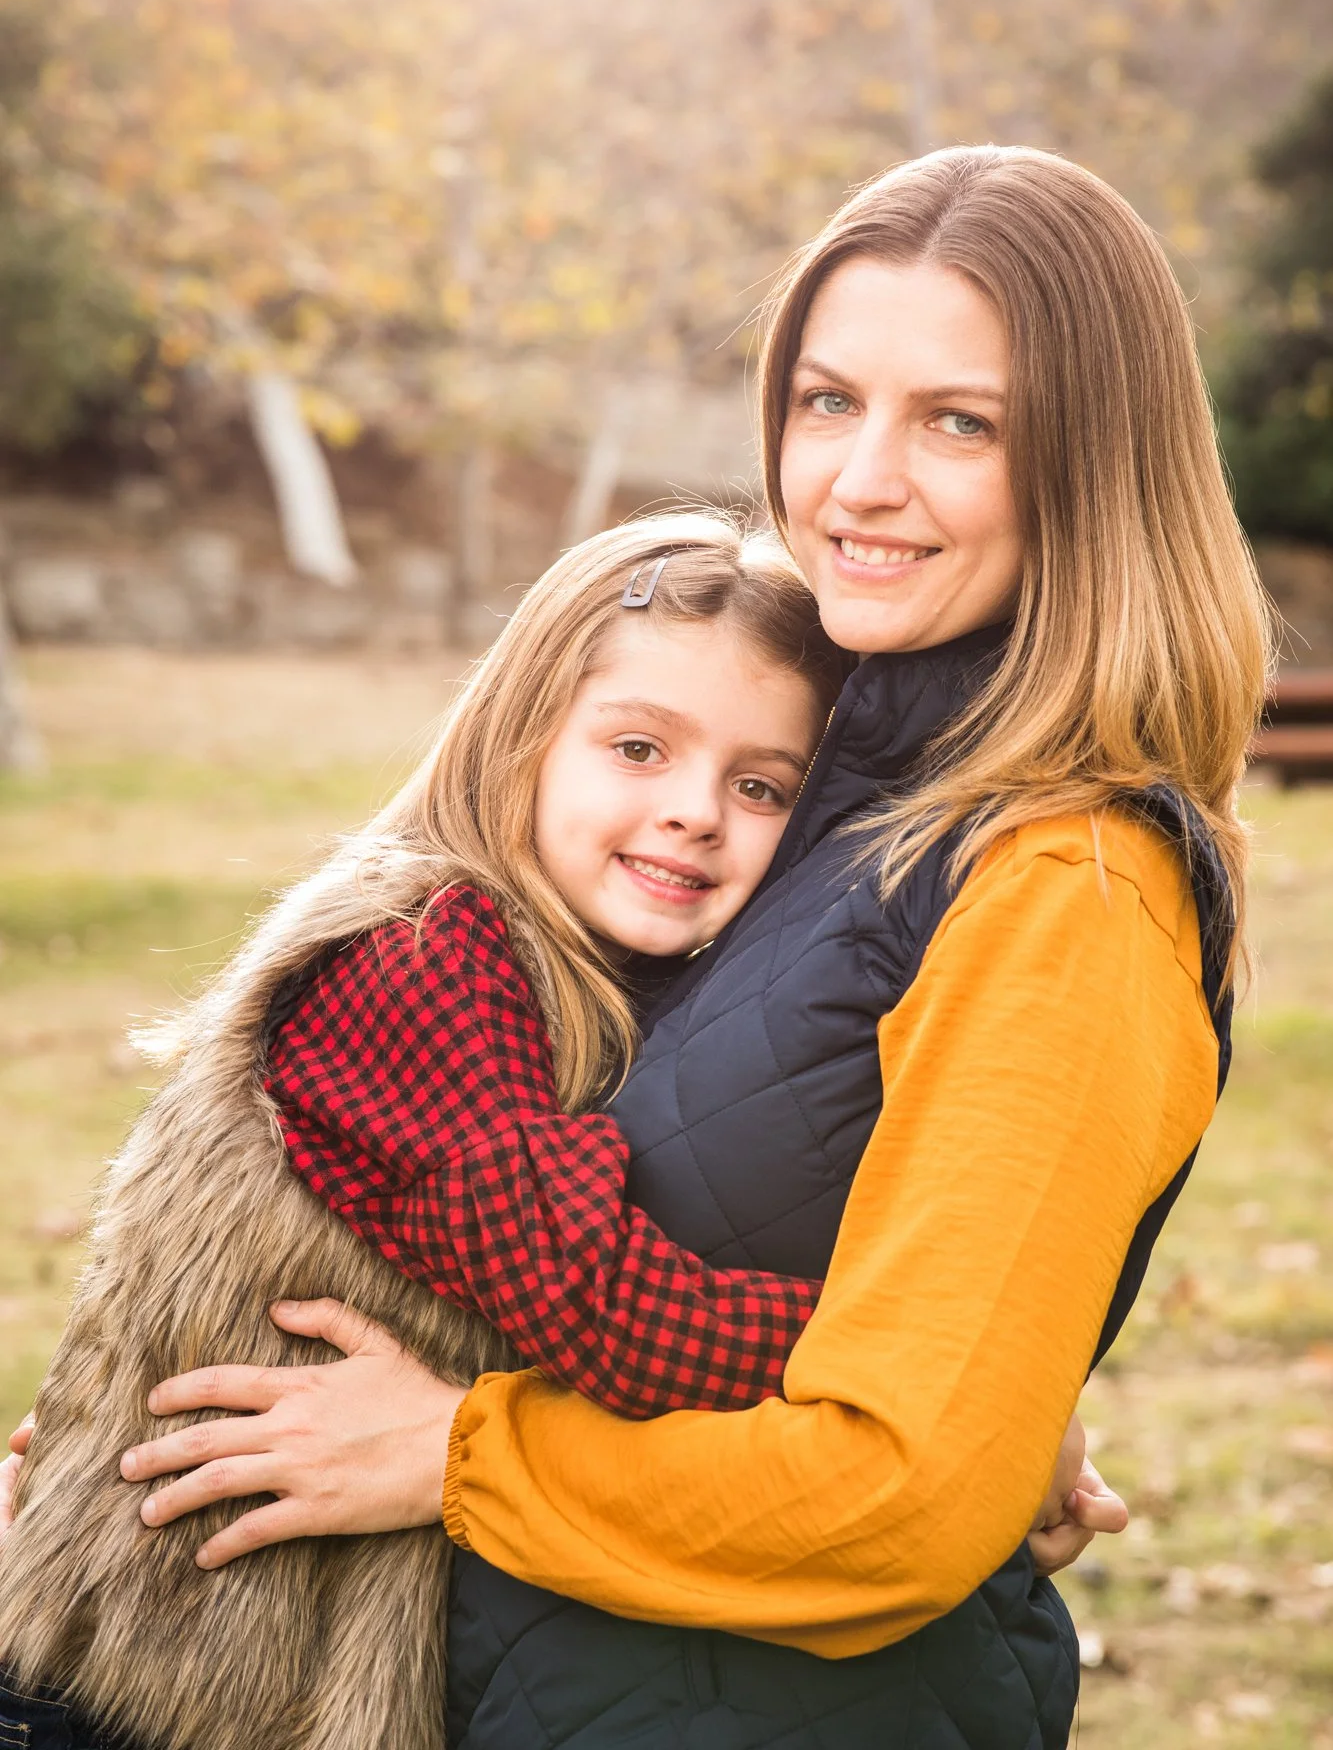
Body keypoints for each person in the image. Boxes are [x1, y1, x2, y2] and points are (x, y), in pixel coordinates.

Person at [12, 138, 1264, 1749]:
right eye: (827, 402)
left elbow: (899, 1477)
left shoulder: (1067, 883)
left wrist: (452, 1449)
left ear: (1093, 464)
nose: (859, 480)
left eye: (958, 423)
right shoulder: (850, 793)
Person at [0, 512, 1114, 1750]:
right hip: (149, 1682)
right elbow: (610, 1309)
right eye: (638, 747)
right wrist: (967, 1401)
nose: (695, 809)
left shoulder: (603, 976)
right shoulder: (420, 959)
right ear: (519, 735)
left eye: (759, 786)